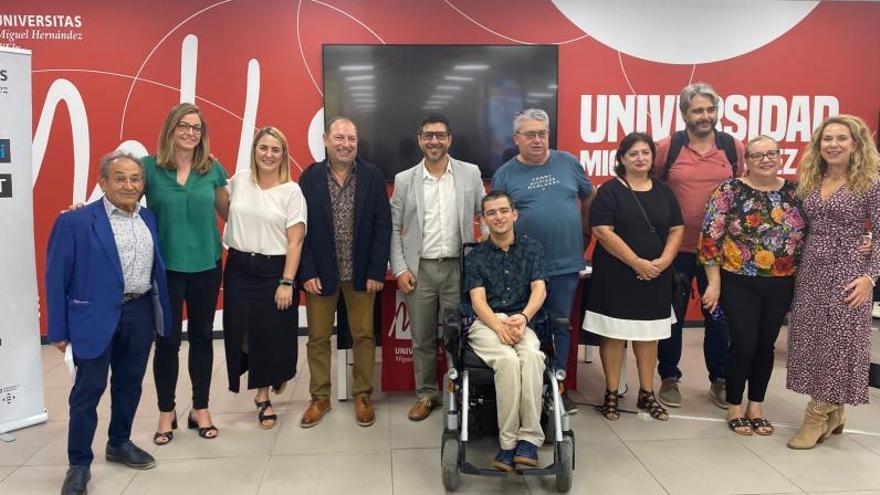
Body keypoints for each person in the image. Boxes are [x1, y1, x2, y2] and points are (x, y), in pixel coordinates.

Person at [47, 151, 172, 495]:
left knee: (129, 385)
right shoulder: (75, 221)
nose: (129, 185)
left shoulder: (148, 219)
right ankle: (78, 464)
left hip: (139, 312)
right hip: (93, 318)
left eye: (135, 179)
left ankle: (119, 442)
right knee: (87, 393)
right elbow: (56, 278)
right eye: (120, 178)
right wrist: (57, 329)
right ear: (103, 182)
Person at [698, 135, 806, 436]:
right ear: (747, 162)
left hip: (781, 282)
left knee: (764, 346)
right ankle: (734, 404)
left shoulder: (796, 192)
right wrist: (714, 284)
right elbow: (710, 239)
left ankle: (756, 404)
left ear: (781, 157)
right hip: (738, 281)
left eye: (771, 153)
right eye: (757, 156)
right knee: (743, 343)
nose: (766, 160)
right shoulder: (729, 191)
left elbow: (815, 234)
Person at [491, 108, 596, 413]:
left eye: (542, 134)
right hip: (522, 267)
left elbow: (590, 195)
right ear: (517, 139)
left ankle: (558, 386)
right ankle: (528, 386)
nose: (537, 140)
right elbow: (496, 217)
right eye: (530, 134)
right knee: (527, 324)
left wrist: (587, 230)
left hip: (565, 263)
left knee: (560, 324)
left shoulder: (568, 163)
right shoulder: (505, 174)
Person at [786, 114, 880, 449]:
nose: (834, 145)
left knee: (839, 345)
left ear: (855, 144)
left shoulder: (870, 182)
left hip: (850, 274)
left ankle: (815, 416)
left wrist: (870, 278)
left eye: (841, 138)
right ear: (818, 144)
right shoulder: (811, 177)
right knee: (813, 340)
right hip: (812, 271)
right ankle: (835, 411)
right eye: (827, 139)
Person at [654, 82, 744, 409]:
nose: (705, 116)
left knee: (718, 318)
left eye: (710, 109)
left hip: (719, 254)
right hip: (674, 250)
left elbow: (741, 191)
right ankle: (669, 377)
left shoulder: (733, 147)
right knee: (672, 317)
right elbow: (650, 187)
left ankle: (719, 379)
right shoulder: (668, 148)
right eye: (697, 110)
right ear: (684, 114)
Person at [390, 113, 485, 421]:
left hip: (459, 269)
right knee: (422, 339)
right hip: (420, 271)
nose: (434, 141)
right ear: (420, 140)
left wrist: (484, 246)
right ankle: (426, 395)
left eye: (440, 135)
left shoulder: (469, 174)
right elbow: (394, 227)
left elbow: (484, 213)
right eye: (428, 135)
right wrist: (401, 268)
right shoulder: (405, 180)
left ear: (450, 139)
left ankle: (458, 393)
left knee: (459, 336)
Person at [298, 116, 392, 428]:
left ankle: (362, 395)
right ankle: (320, 396)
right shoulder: (309, 178)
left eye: (351, 139)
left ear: (357, 143)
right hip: (321, 274)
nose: (345, 144)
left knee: (364, 335)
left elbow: (382, 225)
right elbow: (301, 230)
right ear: (325, 140)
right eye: (339, 138)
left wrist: (377, 270)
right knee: (318, 337)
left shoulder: (372, 176)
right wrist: (307, 270)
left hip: (362, 272)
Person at [585, 132, 683, 422]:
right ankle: (611, 394)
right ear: (621, 159)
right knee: (613, 335)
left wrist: (663, 262)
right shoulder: (609, 191)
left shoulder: (665, 191)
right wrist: (636, 262)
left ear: (653, 157)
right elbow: (603, 231)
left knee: (649, 336)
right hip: (617, 275)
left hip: (656, 276)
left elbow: (677, 229)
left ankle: (646, 393)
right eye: (633, 154)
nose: (641, 158)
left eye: (646, 153)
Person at [145, 103, 229, 443]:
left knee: (202, 338)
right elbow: (121, 202)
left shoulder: (212, 168)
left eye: (196, 127)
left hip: (206, 266)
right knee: (166, 342)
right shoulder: (148, 169)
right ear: (171, 128)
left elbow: (230, 212)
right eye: (184, 125)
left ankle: (200, 409)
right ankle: (167, 411)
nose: (190, 132)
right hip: (166, 269)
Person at [222, 127, 306, 429]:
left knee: (270, 334)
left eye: (276, 149)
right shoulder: (240, 180)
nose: (269, 154)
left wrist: (287, 282)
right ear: (255, 150)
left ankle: (263, 395)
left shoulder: (291, 190)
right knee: (241, 332)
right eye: (264, 148)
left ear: (283, 155)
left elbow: (295, 241)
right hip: (239, 266)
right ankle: (270, 375)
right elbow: (224, 209)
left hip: (274, 270)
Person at [464, 191, 547, 472]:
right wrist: (499, 326)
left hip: (522, 319)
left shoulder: (532, 248)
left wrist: (523, 318)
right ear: (483, 220)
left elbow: (539, 289)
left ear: (514, 214)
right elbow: (477, 300)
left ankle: (530, 440)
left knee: (533, 357)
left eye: (503, 211)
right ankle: (509, 444)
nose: (498, 217)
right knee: (508, 361)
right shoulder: (476, 256)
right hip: (487, 322)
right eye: (491, 213)